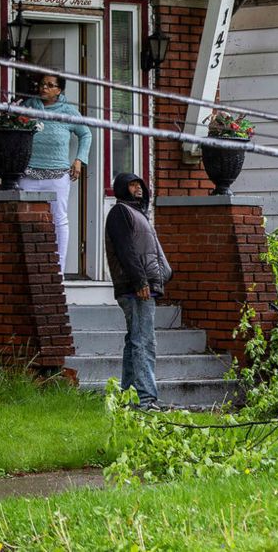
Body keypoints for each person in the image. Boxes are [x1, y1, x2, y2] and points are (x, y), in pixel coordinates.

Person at [105, 172, 172, 409]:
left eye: (139, 185)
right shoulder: (120, 213)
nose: (138, 188)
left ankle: (128, 397)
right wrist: (140, 282)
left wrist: (160, 276)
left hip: (144, 287)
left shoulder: (137, 214)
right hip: (136, 288)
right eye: (133, 185)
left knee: (135, 341)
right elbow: (126, 251)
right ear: (123, 189)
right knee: (144, 342)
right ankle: (146, 399)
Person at [20, 73, 92, 275]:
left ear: (59, 90)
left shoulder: (68, 111)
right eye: (42, 84)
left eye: (50, 85)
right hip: (28, 173)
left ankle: (58, 269)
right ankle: (28, 264)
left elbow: (85, 134)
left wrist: (79, 159)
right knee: (25, 217)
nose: (44, 88)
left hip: (58, 175)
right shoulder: (28, 107)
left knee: (59, 219)